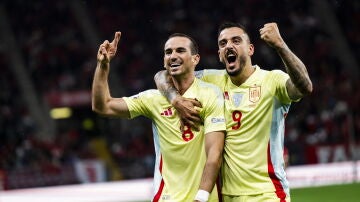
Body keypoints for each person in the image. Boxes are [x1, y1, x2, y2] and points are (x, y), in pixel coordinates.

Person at [155, 22, 313, 201]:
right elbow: (163, 75)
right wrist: (175, 99)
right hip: (228, 195)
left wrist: (280, 45)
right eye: (223, 44)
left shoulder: (273, 80)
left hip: (268, 193)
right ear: (220, 54)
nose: (229, 46)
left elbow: (305, 86)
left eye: (236, 41)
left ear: (251, 49)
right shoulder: (211, 80)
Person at [92, 31, 226, 201]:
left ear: (195, 59)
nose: (173, 56)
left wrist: (201, 197)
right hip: (166, 197)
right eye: (168, 52)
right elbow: (102, 106)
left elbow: (215, 152)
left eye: (180, 50)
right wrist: (103, 66)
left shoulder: (210, 94)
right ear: (164, 61)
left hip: (205, 198)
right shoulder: (153, 98)